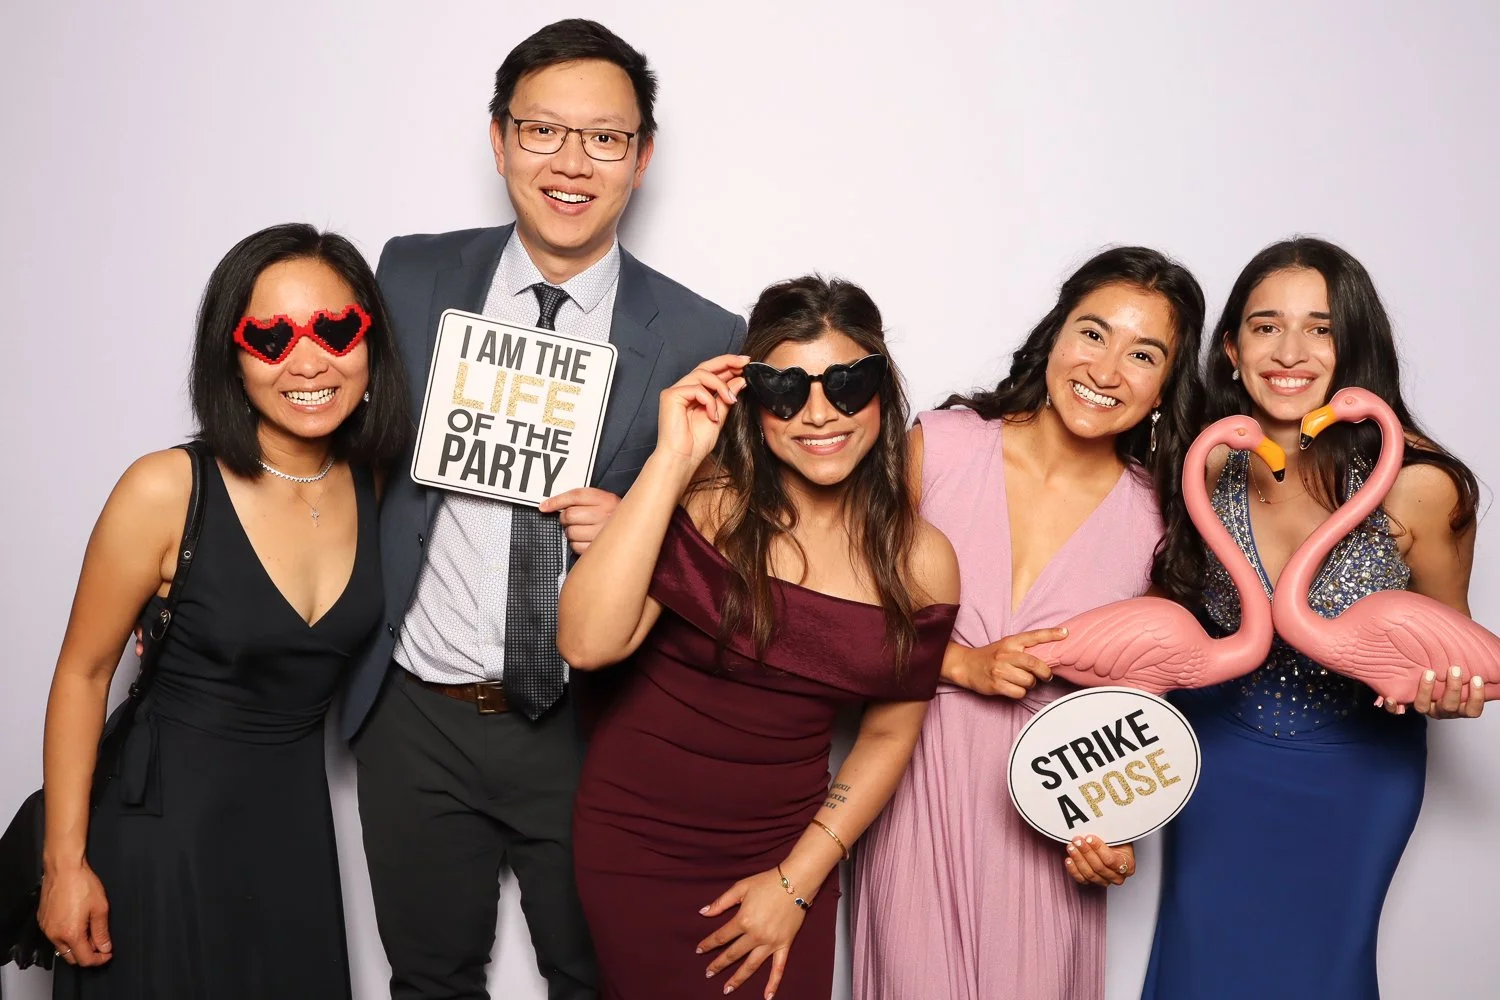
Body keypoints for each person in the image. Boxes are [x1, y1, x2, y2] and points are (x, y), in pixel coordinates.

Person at [342, 19, 746, 1000]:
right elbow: (323, 448)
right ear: (499, 140)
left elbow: (737, 534)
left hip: (590, 723)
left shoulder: (705, 333)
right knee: (428, 979)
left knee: (599, 976)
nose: (572, 163)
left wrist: (643, 531)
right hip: (416, 712)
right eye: (542, 132)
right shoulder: (410, 275)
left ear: (642, 156)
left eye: (605, 138)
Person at [558, 276, 960, 1000]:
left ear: (881, 386)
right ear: (754, 404)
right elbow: (587, 644)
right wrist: (673, 458)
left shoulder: (922, 560)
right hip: (637, 845)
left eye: (846, 383)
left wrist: (796, 882)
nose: (817, 414)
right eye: (785, 391)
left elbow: (888, 737)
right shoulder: (714, 502)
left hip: (788, 853)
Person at [37, 223, 411, 999]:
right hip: (162, 839)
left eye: (337, 330)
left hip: (294, 844)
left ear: (370, 343)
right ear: (232, 359)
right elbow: (84, 673)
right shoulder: (166, 488)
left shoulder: (377, 484)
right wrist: (64, 865)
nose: (309, 361)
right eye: (271, 338)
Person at [852, 247, 1208, 1000]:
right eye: (1092, 333)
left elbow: (1138, 723)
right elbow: (838, 609)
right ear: (1055, 334)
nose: (1107, 371)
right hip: (916, 788)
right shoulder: (941, 448)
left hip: (1049, 829)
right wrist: (960, 666)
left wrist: (1115, 839)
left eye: (1143, 353)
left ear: (1167, 385)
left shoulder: (1160, 524)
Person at [1142, 237, 1484, 1000]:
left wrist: (1443, 689)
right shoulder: (1205, 463)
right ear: (1230, 348)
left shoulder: (1422, 487)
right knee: (1205, 965)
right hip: (1216, 758)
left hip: (1356, 771)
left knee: (1322, 973)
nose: (1289, 350)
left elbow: (1449, 638)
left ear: (1354, 344)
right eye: (1265, 326)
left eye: (1320, 328)